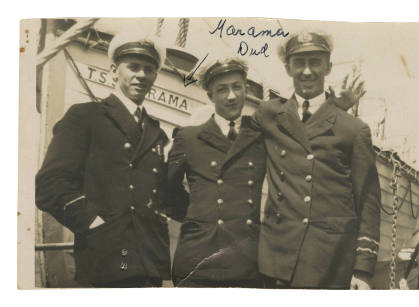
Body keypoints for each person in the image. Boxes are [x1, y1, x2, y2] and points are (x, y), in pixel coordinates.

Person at [35, 30, 171, 287]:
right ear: (113, 70)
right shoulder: (86, 117)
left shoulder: (157, 132)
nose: (141, 75)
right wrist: (94, 223)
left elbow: (165, 195)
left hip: (150, 263)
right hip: (108, 257)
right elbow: (49, 184)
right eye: (133, 67)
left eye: (149, 69)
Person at [254, 31, 381, 289]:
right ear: (288, 68)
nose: (307, 71)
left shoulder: (354, 129)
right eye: (299, 63)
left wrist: (363, 270)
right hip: (276, 260)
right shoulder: (269, 114)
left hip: (329, 262)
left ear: (328, 67)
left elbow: (368, 201)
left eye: (315, 62)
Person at [166, 58, 266, 287]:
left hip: (247, 262)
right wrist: (200, 219)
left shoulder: (261, 136)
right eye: (222, 89)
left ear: (245, 90)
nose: (231, 96)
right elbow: (167, 191)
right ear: (210, 96)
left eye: (237, 87)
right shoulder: (188, 138)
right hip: (198, 260)